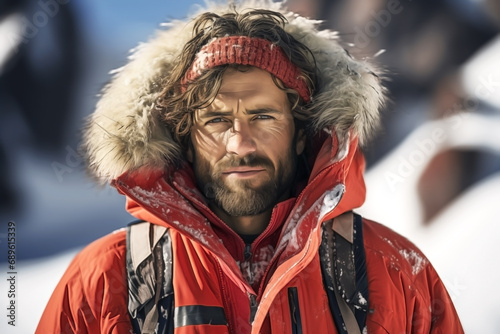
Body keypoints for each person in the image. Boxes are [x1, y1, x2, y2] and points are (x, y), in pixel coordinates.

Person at [36, 1, 464, 333]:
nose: (240, 143)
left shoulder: (393, 273)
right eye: (217, 120)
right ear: (184, 140)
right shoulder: (102, 281)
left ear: (301, 132)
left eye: (263, 116)